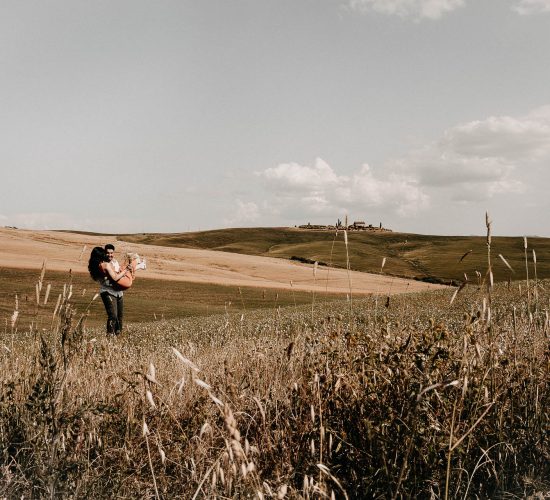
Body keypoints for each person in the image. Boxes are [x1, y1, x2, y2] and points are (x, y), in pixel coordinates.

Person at [88, 245, 146, 335]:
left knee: (119, 317)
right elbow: (115, 277)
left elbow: (119, 274)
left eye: (111, 253)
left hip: (119, 292)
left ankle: (118, 335)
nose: (110, 255)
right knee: (113, 316)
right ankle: (110, 336)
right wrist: (125, 270)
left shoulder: (114, 262)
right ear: (103, 254)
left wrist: (126, 271)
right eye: (107, 253)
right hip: (108, 292)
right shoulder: (103, 265)